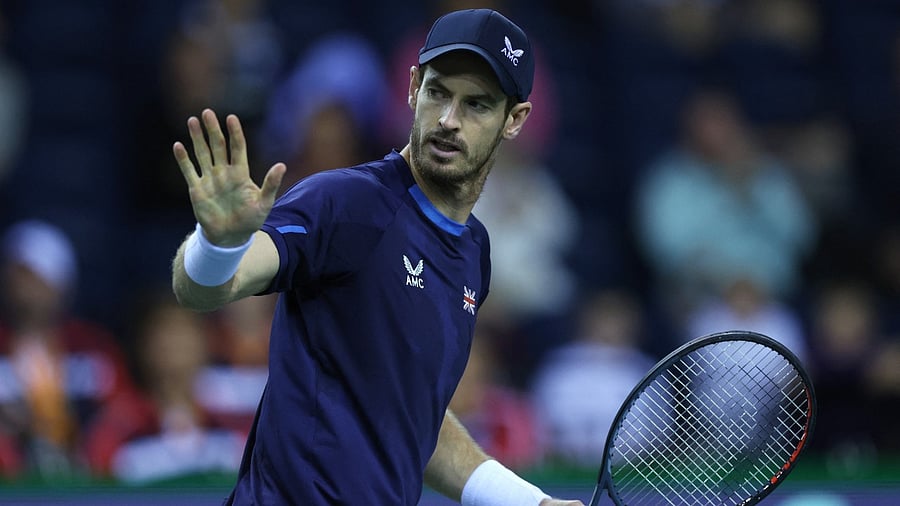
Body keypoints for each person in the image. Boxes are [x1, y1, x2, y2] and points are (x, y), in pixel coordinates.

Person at [169, 8, 583, 506]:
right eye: (438, 93)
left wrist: (527, 501)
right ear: (412, 87)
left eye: (476, 105)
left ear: (514, 120)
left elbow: (414, 416)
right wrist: (218, 244)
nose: (449, 120)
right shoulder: (347, 203)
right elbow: (206, 289)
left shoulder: (475, 252)